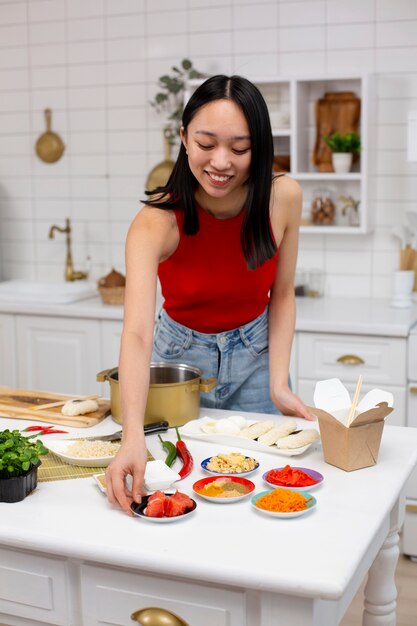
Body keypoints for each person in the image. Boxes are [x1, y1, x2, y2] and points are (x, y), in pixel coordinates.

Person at [106, 74, 314, 514]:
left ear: (259, 148)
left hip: (257, 359)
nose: (222, 162)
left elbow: (282, 296)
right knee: (174, 483)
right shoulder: (155, 221)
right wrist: (131, 437)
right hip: (177, 368)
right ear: (183, 138)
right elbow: (138, 334)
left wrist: (279, 383)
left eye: (240, 148)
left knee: (264, 495)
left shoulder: (284, 197)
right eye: (206, 143)